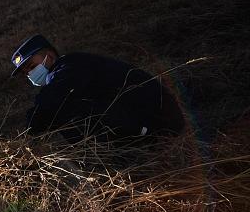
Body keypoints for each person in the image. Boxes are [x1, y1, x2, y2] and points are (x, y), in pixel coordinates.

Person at [10, 34, 186, 144]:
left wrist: (29, 131)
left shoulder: (69, 66)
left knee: (67, 112)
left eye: (31, 66)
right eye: (26, 72)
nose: (30, 73)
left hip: (158, 121)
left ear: (49, 55)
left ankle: (127, 155)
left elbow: (51, 101)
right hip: (161, 118)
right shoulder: (71, 67)